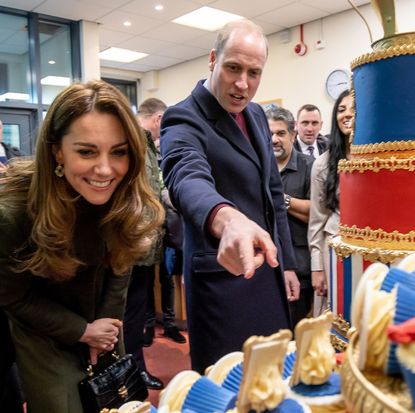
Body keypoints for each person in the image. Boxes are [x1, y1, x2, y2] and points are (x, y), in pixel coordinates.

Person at [0, 80, 164, 412]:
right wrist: (82, 331)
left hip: (101, 321)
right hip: (43, 331)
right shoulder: (12, 212)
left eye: (118, 152)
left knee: (119, 402)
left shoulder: (125, 197)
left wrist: (105, 329)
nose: (105, 169)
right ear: (57, 150)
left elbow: (121, 264)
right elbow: (13, 296)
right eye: (87, 151)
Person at [160, 20, 300, 373]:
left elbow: (272, 193)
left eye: (254, 73)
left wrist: (286, 264)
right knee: (229, 387)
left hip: (267, 273)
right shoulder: (184, 117)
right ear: (213, 59)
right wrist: (228, 218)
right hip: (221, 282)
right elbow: (185, 176)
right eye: (233, 68)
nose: (243, 84)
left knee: (273, 378)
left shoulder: (255, 113)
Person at [137, 98, 186, 346]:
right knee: (142, 283)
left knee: (165, 279)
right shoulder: (138, 146)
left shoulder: (160, 149)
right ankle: (145, 329)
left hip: (166, 228)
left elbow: (162, 187)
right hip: (143, 231)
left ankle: (168, 324)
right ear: (158, 119)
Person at [266, 107, 314, 327]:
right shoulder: (261, 168)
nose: (274, 140)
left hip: (300, 269)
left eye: (281, 133)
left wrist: (282, 200)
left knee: (295, 337)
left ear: (293, 135)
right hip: (267, 269)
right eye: (270, 134)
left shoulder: (310, 166)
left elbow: (317, 213)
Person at [308, 90, 353, 315]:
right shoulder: (323, 164)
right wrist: (317, 268)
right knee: (333, 314)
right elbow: (317, 221)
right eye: (342, 109)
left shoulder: (379, 159)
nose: (347, 114)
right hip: (334, 248)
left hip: (371, 252)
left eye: (354, 108)